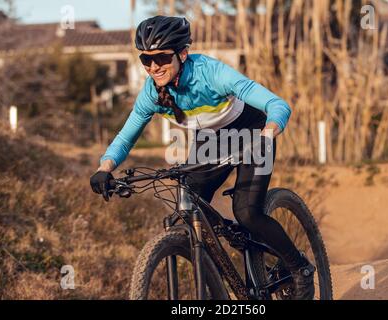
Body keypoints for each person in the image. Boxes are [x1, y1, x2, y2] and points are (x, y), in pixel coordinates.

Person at [90, 15, 315, 299]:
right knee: (187, 209)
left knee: (247, 212)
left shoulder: (211, 73)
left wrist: (268, 135)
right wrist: (104, 167)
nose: (153, 67)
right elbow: (126, 135)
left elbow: (276, 104)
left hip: (252, 131)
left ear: (182, 53)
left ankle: (300, 268)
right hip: (210, 141)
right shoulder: (152, 93)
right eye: (145, 60)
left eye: (161, 58)